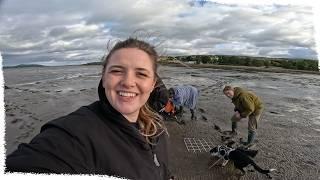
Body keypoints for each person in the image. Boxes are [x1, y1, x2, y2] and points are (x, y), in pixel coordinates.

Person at [6, 38, 172, 180]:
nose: (128, 82)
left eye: (141, 74)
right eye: (116, 71)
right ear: (104, 78)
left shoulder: (156, 126)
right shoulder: (74, 134)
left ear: (152, 85)